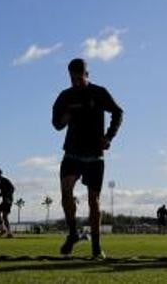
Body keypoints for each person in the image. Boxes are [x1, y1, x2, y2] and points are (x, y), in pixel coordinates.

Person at [52, 58, 123, 259]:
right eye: (72, 79)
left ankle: (96, 246)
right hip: (72, 153)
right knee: (66, 192)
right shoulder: (65, 96)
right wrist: (64, 118)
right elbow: (56, 124)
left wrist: (109, 136)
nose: (76, 82)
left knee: (94, 200)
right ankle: (73, 233)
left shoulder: (99, 93)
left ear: (87, 75)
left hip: (94, 155)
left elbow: (118, 112)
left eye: (79, 78)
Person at [0, 168, 15, 238]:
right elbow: (2, 193)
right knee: (0, 215)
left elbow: (12, 189)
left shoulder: (5, 180)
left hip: (8, 200)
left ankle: (7, 231)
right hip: (5, 200)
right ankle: (5, 230)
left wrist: (8, 197)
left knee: (2, 215)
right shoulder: (1, 182)